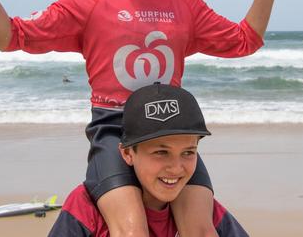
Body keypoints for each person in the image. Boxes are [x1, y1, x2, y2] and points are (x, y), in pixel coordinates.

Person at [0, 0, 290, 236]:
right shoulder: (87, 4)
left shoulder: (186, 6)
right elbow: (10, 37)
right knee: (131, 231)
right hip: (113, 128)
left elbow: (244, 41)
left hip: (171, 131)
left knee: (200, 229)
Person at [48, 83, 249, 236]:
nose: (176, 168)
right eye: (161, 152)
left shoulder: (204, 211)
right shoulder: (86, 207)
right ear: (127, 153)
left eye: (188, 152)